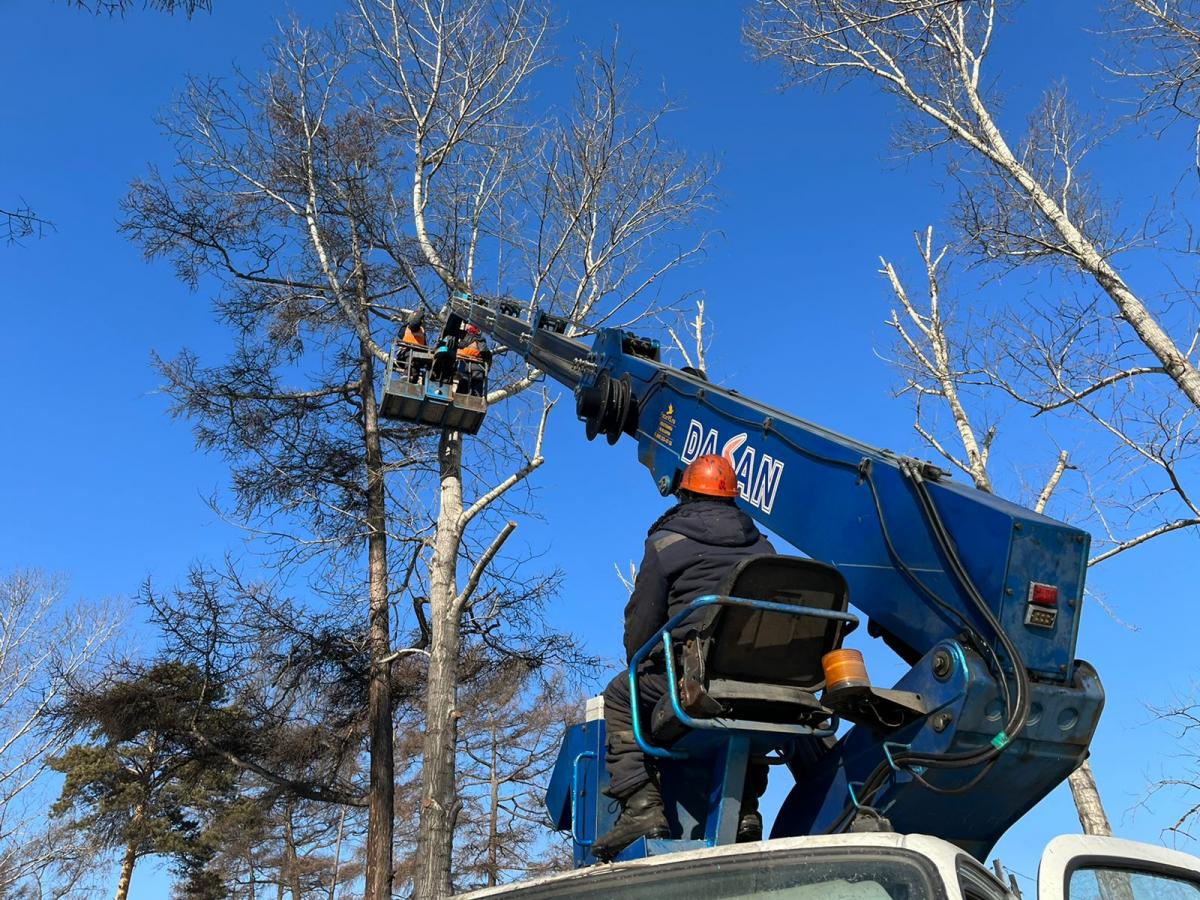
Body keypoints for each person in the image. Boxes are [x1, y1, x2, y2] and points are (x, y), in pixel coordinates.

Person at [591, 454, 775, 861]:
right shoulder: (764, 546)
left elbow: (642, 625)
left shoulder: (666, 541)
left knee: (622, 693)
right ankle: (744, 807)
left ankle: (641, 807)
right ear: (732, 497)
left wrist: (643, 661)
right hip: (765, 681)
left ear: (685, 493)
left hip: (702, 679)